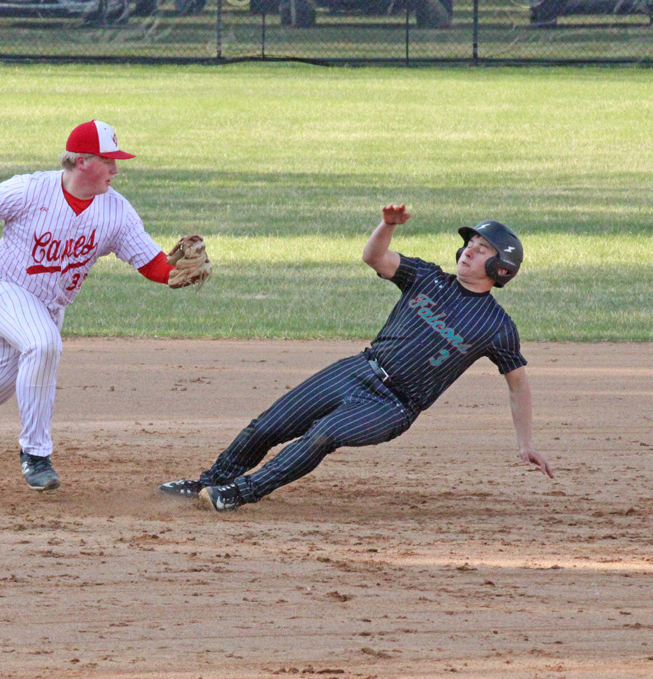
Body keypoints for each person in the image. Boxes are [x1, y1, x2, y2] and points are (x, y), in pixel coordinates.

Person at [159, 204, 553, 512]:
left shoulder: (496, 325)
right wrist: (388, 225)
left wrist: (525, 443)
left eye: (481, 249)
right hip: (358, 369)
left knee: (321, 436)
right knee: (269, 424)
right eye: (469, 244)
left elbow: (518, 383)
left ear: (500, 268)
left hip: (395, 405)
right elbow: (374, 257)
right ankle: (207, 480)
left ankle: (239, 493)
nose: (469, 251)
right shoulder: (427, 277)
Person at [0, 120, 198, 491]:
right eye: (107, 160)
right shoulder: (29, 190)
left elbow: (151, 264)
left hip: (48, 308)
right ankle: (36, 453)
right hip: (3, 289)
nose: (116, 169)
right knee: (43, 345)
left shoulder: (117, 212)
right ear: (80, 162)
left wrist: (175, 273)